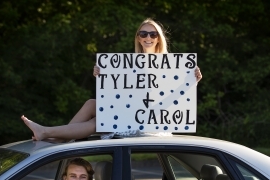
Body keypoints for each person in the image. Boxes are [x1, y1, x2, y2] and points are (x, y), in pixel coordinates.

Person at [21, 18, 202, 141]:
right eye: (143, 34)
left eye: (153, 34)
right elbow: (120, 95)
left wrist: (192, 81)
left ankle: (48, 132)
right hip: (129, 113)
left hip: (149, 122)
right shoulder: (127, 64)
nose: (148, 37)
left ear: (159, 39)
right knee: (92, 103)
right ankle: (60, 136)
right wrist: (103, 75)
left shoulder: (172, 65)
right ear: (138, 38)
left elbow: (175, 98)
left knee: (97, 122)